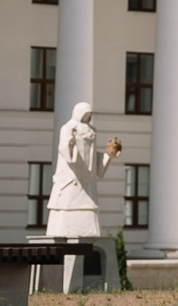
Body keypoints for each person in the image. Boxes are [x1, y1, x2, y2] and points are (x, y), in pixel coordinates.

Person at [44, 103, 122, 241]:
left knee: (88, 211)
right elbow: (64, 150)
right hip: (70, 178)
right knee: (65, 207)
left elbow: (92, 157)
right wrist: (71, 141)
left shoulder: (92, 131)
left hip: (87, 183)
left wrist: (108, 155)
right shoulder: (68, 128)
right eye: (85, 113)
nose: (87, 116)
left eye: (89, 114)